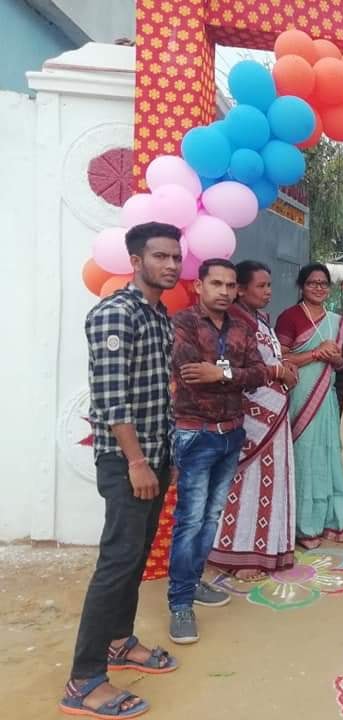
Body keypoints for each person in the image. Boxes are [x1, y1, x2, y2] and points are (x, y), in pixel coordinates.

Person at [61, 222, 182, 719]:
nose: (171, 265)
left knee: (133, 558)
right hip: (128, 461)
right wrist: (136, 462)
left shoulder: (158, 316)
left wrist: (162, 456)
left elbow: (157, 388)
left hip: (157, 454)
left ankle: (119, 640)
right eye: (160, 257)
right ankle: (84, 681)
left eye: (176, 257)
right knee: (116, 564)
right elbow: (112, 403)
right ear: (136, 261)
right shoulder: (115, 315)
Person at [168, 258, 272, 645]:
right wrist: (225, 375)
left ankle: (193, 583)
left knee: (211, 517)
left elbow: (259, 374)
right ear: (199, 286)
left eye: (231, 285)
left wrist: (221, 374)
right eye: (217, 284)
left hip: (231, 433)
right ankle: (179, 603)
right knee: (190, 520)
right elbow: (188, 373)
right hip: (196, 435)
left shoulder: (243, 328)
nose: (225, 291)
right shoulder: (183, 323)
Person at [208, 261, 299, 580]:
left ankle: (267, 549)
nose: (268, 291)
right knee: (243, 485)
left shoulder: (259, 320)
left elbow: (270, 359)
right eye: (261, 286)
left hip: (273, 415)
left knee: (270, 484)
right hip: (252, 418)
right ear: (241, 290)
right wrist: (276, 373)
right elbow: (230, 370)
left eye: (269, 285)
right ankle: (236, 553)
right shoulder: (233, 323)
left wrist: (284, 370)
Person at [275, 263, 343, 548]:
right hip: (300, 397)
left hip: (326, 398)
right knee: (304, 456)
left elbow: (342, 363)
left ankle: (331, 521)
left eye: (323, 283)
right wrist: (316, 354)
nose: (318, 288)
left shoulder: (337, 321)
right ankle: (303, 526)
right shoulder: (290, 317)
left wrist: (335, 360)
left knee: (328, 454)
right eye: (312, 283)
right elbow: (280, 359)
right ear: (302, 286)